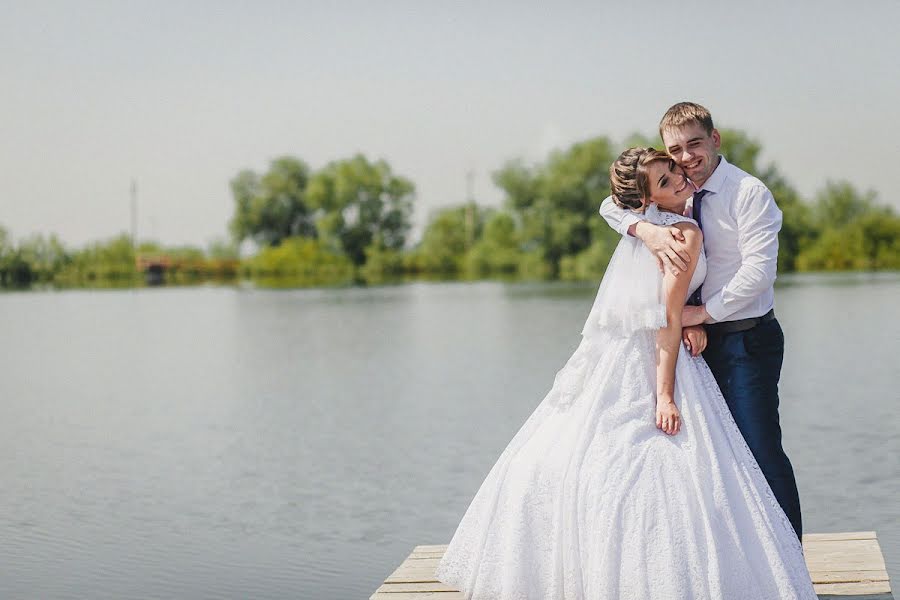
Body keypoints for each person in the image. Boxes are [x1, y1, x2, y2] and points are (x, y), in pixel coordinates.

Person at [435, 147, 816, 599]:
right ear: (646, 201)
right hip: (659, 355)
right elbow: (667, 319)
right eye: (664, 178)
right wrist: (665, 394)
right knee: (676, 466)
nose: (678, 176)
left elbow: (666, 295)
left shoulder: (651, 227)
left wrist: (697, 318)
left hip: (632, 347)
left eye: (675, 168)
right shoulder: (681, 234)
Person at [599, 102, 802, 540]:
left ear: (715, 139)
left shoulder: (748, 193)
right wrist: (645, 231)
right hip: (696, 348)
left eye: (694, 144)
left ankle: (792, 568)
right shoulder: (677, 190)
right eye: (676, 149)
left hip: (747, 341)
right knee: (714, 459)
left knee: (761, 451)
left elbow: (759, 272)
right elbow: (610, 205)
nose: (686, 157)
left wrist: (702, 313)